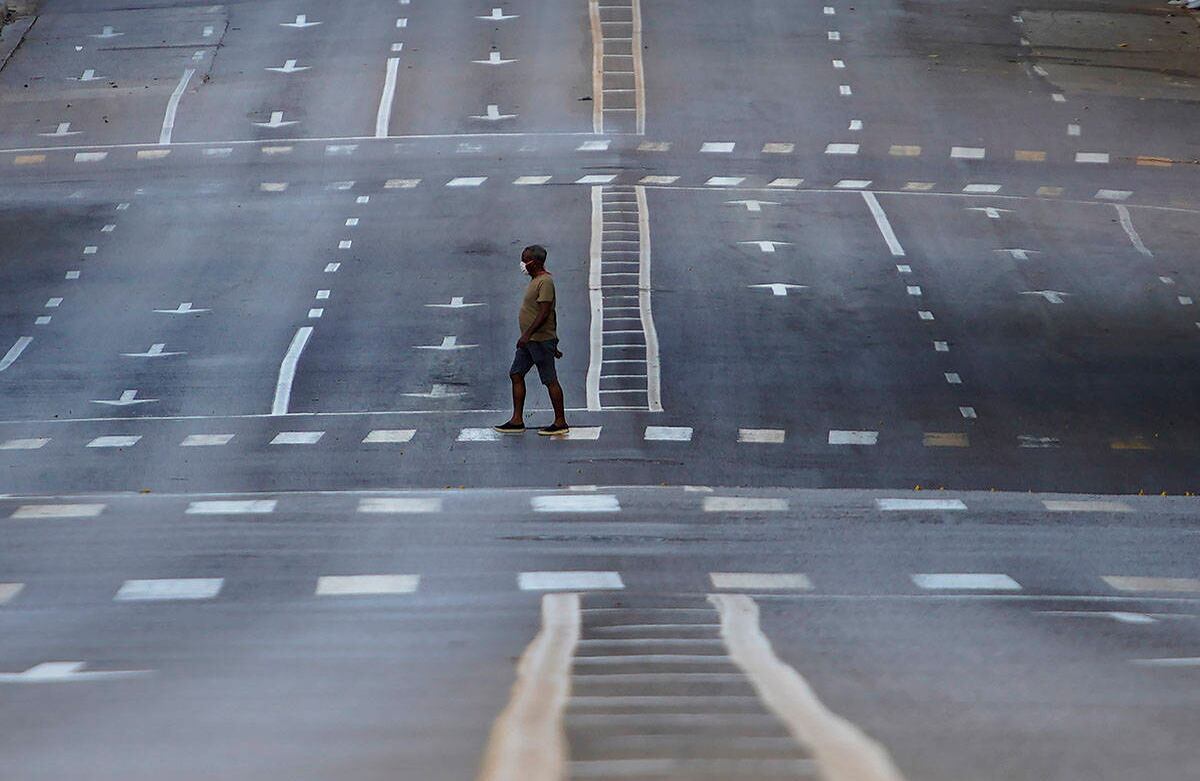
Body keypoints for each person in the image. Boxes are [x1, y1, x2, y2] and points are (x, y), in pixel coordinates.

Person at [494, 245, 570, 436]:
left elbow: (545, 312)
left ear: (534, 263)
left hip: (539, 340)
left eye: (524, 259)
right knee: (516, 374)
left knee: (550, 379)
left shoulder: (545, 282)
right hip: (530, 341)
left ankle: (560, 421)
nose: (522, 264)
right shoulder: (536, 281)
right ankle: (517, 420)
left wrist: (530, 335)